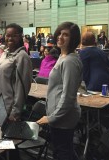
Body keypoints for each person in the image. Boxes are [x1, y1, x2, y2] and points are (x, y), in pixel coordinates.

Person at [36, 22, 82, 160]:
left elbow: (68, 96)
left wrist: (51, 118)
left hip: (63, 118)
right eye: (60, 33)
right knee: (61, 150)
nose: (60, 37)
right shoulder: (63, 57)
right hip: (59, 117)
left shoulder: (69, 61)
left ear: (73, 39)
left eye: (66, 35)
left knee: (63, 152)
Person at [0, 23, 32, 120]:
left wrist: (15, 112)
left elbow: (22, 88)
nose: (10, 38)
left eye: (14, 36)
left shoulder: (22, 57)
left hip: (8, 108)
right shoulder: (6, 53)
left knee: (2, 134)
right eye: (8, 35)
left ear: (20, 37)